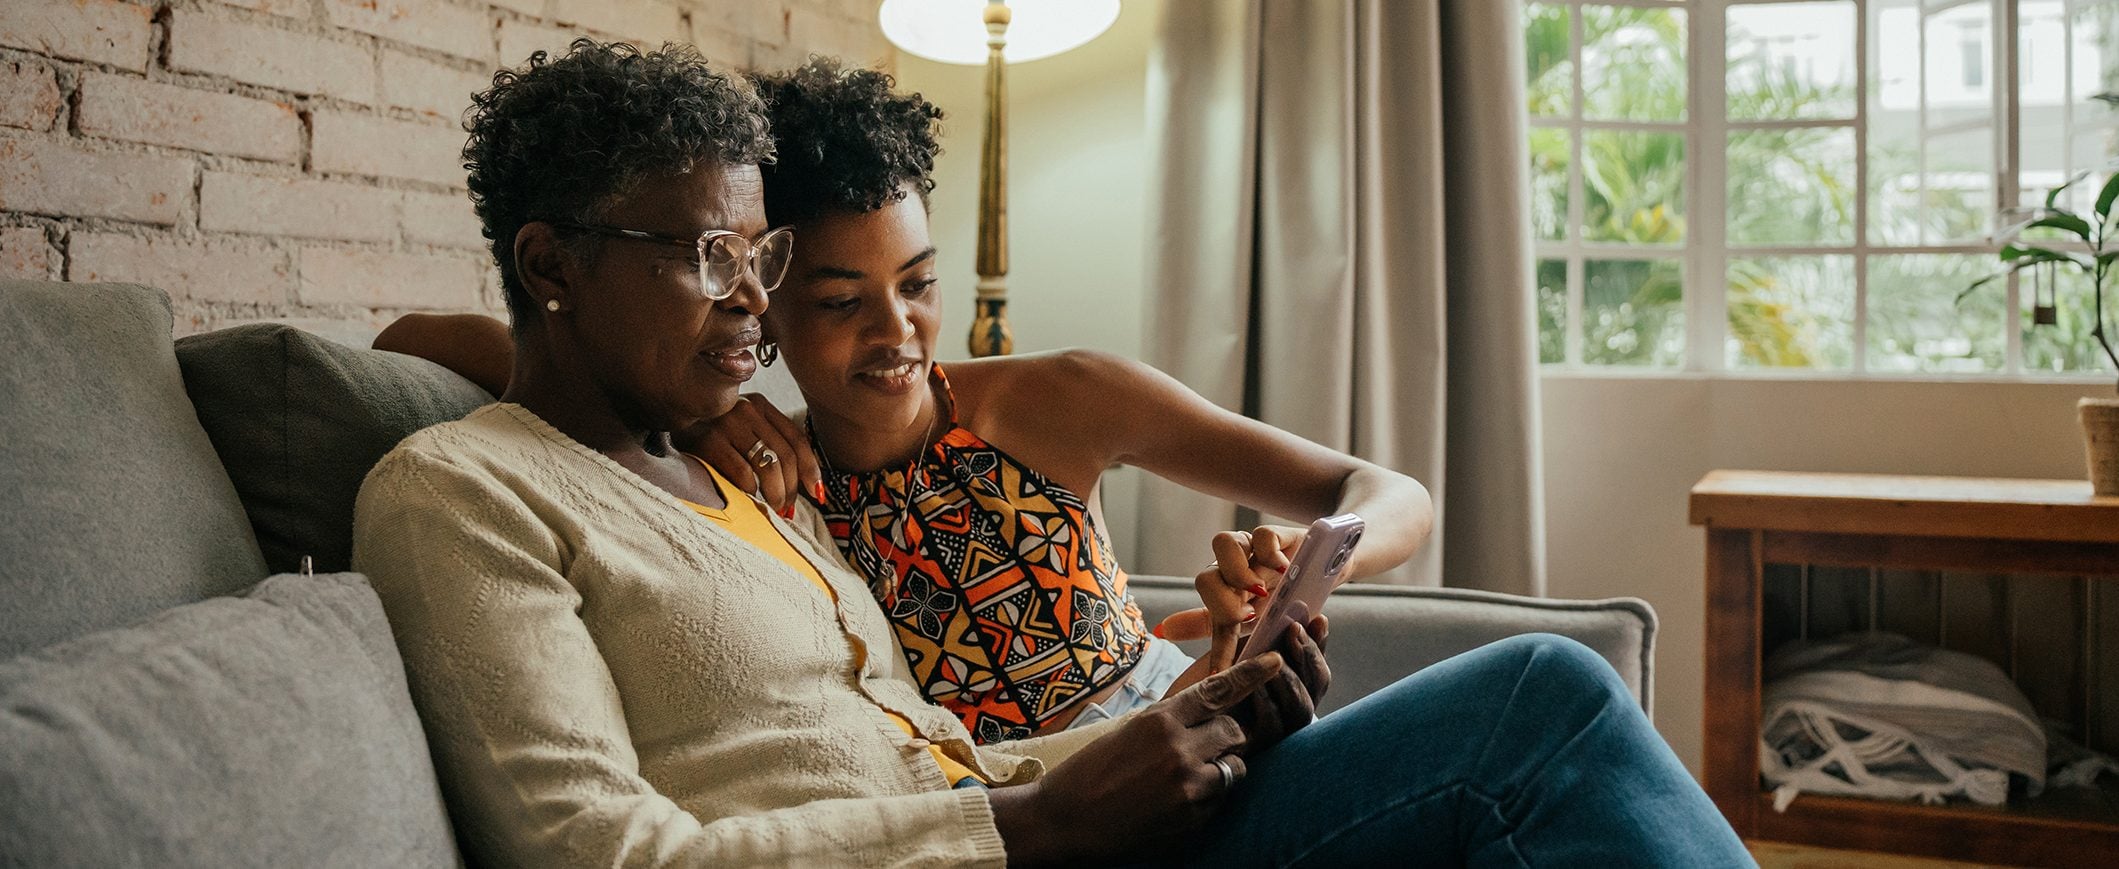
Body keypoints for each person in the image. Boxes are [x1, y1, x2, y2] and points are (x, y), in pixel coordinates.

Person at [352, 40, 1749, 867]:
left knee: (1533, 719)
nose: (744, 298)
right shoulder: (509, 486)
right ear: (550, 264)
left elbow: (926, 751)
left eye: (751, 255)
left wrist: (1178, 716)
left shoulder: (756, 470)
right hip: (1045, 831)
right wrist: (1043, 819)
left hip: (1091, 775)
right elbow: (607, 851)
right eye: (724, 265)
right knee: (1536, 706)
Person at [377, 58, 1436, 743]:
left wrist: (1303, 551)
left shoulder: (1053, 399)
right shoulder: (761, 476)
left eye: (920, 283)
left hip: (1193, 711)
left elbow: (1389, 491)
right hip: (1042, 800)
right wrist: (702, 414)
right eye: (841, 302)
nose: (898, 332)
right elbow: (422, 342)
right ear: (762, 301)